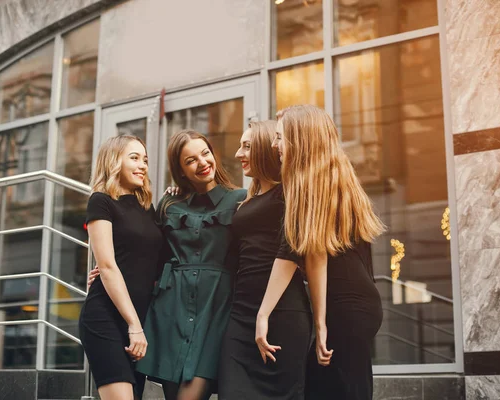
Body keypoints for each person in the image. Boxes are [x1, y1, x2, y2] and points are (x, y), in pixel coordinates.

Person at [260, 104, 385, 400]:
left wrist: (320, 323)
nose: (275, 145)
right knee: (342, 387)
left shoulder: (309, 184)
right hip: (361, 302)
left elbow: (314, 256)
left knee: (337, 389)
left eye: (280, 137)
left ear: (298, 141)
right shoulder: (338, 177)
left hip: (344, 307)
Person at [136, 130, 247, 400]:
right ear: (181, 170)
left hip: (216, 310)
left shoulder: (241, 200)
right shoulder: (169, 204)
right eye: (191, 160)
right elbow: (150, 250)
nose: (202, 163)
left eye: (205, 153)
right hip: (171, 309)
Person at [218, 121, 312, 399]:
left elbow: (291, 251)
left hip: (282, 314)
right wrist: (175, 194)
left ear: (264, 148)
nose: (238, 154)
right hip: (240, 314)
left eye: (246, 146)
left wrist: (264, 314)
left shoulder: (291, 192)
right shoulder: (245, 199)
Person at [79, 135, 163, 400]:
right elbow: (107, 265)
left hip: (137, 320)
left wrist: (175, 194)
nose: (143, 166)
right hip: (106, 318)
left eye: (145, 160)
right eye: (134, 158)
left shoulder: (147, 208)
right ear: (115, 161)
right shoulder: (101, 201)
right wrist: (134, 325)